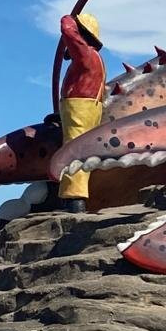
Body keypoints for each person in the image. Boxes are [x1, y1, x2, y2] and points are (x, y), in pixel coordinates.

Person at [57, 13, 106, 213]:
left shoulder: (86, 54)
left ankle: (75, 199)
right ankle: (71, 196)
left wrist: (68, 20)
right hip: (85, 107)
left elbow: (68, 31)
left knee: (73, 150)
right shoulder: (95, 59)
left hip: (80, 106)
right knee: (78, 147)